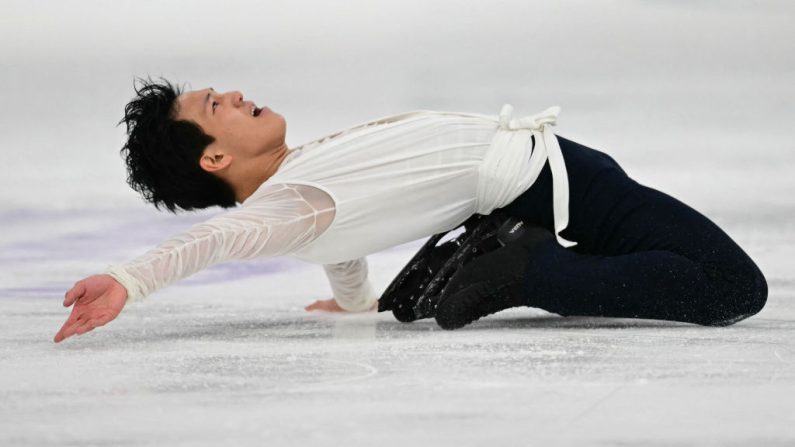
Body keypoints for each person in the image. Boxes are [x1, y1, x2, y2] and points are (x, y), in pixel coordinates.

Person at [52, 78, 767, 343]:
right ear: (214, 158)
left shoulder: (298, 189)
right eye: (216, 107)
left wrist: (353, 299)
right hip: (557, 189)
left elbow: (340, 229)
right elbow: (214, 237)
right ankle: (520, 266)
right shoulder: (284, 203)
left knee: (663, 270)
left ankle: (501, 251)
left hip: (541, 187)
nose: (235, 93)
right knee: (729, 286)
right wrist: (128, 280)